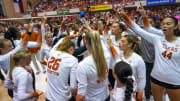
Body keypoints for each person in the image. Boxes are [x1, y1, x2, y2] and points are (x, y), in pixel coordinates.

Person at [119, 8, 180, 101]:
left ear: (176, 26)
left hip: (174, 81)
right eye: (163, 24)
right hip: (156, 78)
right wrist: (124, 16)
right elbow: (137, 29)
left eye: (168, 24)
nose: (165, 26)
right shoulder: (157, 39)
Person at [107, 35, 146, 101]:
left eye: (122, 41)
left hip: (131, 89)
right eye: (120, 41)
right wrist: (110, 45)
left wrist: (139, 96)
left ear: (129, 44)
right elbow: (115, 56)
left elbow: (142, 79)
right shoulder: (120, 54)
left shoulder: (138, 60)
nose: (120, 43)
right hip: (119, 87)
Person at [76, 31, 109, 101]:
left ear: (86, 43)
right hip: (106, 96)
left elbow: (81, 95)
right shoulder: (106, 56)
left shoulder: (83, 65)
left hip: (93, 98)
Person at [46, 37, 78, 101]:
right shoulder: (72, 60)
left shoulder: (52, 53)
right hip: (63, 97)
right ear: (71, 48)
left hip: (48, 96)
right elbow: (73, 86)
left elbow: (59, 42)